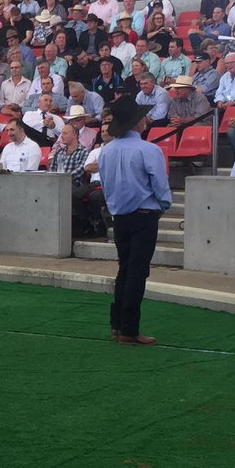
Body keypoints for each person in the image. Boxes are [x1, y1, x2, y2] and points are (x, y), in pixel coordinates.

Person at [97, 96, 171, 345]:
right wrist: (162, 206)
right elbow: (161, 188)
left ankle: (117, 325)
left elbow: (106, 186)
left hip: (120, 216)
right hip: (143, 215)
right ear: (137, 122)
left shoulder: (105, 151)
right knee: (137, 272)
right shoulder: (149, 150)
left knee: (125, 268)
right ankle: (129, 328)